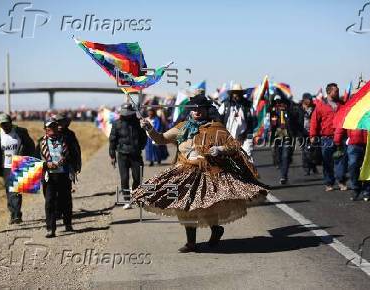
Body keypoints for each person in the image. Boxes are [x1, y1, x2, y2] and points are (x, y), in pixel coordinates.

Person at [136, 94, 268, 253]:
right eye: (194, 109)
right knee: (185, 205)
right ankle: (191, 242)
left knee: (206, 204)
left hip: (208, 171)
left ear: (206, 110)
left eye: (200, 109)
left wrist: (220, 149)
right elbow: (161, 139)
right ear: (190, 111)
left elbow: (234, 146)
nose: (197, 111)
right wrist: (149, 129)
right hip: (184, 170)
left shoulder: (216, 127)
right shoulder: (182, 127)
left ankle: (215, 229)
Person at [0, 113, 35, 224]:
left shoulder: (20, 132)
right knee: (9, 190)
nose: (5, 127)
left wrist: (28, 160)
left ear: (11, 122)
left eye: (6, 124)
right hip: (5, 166)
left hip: (19, 164)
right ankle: (13, 213)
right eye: (2, 125)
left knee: (15, 190)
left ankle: (16, 214)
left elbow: (30, 145)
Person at [36, 119, 73, 238]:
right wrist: (47, 164)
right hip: (49, 176)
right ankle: (50, 229)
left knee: (65, 200)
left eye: (55, 127)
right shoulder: (41, 143)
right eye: (50, 127)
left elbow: (72, 155)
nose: (53, 129)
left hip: (63, 174)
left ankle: (68, 223)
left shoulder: (65, 140)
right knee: (49, 202)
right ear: (46, 130)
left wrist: (65, 161)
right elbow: (36, 161)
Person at [310, 83, 347, 192]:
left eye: (338, 90)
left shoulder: (342, 104)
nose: (338, 92)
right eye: (336, 91)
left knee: (341, 160)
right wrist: (312, 135)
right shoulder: (321, 105)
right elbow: (314, 121)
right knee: (327, 162)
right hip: (327, 138)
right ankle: (329, 183)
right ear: (329, 92)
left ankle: (341, 181)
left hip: (341, 137)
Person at [109, 103, 147, 209]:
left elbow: (144, 137)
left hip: (136, 155)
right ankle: (127, 200)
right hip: (122, 155)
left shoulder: (139, 124)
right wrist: (112, 155)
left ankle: (136, 196)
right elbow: (112, 140)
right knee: (124, 178)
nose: (126, 115)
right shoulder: (116, 124)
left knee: (138, 177)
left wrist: (140, 147)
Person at [269, 91, 302, 184]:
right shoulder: (273, 111)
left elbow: (296, 121)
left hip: (288, 135)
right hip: (278, 135)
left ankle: (284, 176)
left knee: (286, 155)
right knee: (279, 156)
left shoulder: (290, 109)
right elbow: (272, 124)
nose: (278, 103)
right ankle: (282, 167)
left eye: (280, 101)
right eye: (277, 102)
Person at [334, 127, 370, 201]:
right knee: (353, 166)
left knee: (369, 167)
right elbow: (343, 122)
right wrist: (337, 139)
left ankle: (367, 191)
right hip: (354, 144)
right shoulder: (350, 114)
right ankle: (356, 188)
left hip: (369, 143)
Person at [218, 83, 256, 159]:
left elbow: (253, 122)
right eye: (235, 93)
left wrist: (247, 136)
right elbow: (218, 120)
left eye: (239, 93)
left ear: (242, 93)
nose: (237, 95)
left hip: (245, 138)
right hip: (228, 138)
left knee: (247, 157)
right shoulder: (225, 105)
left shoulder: (248, 105)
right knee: (230, 159)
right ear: (232, 94)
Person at [300, 93, 318, 175]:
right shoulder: (299, 109)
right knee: (304, 151)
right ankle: (307, 168)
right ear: (304, 100)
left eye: (310, 99)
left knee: (313, 151)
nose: (310, 100)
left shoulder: (315, 108)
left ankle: (313, 166)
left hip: (313, 132)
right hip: (302, 133)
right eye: (308, 99)